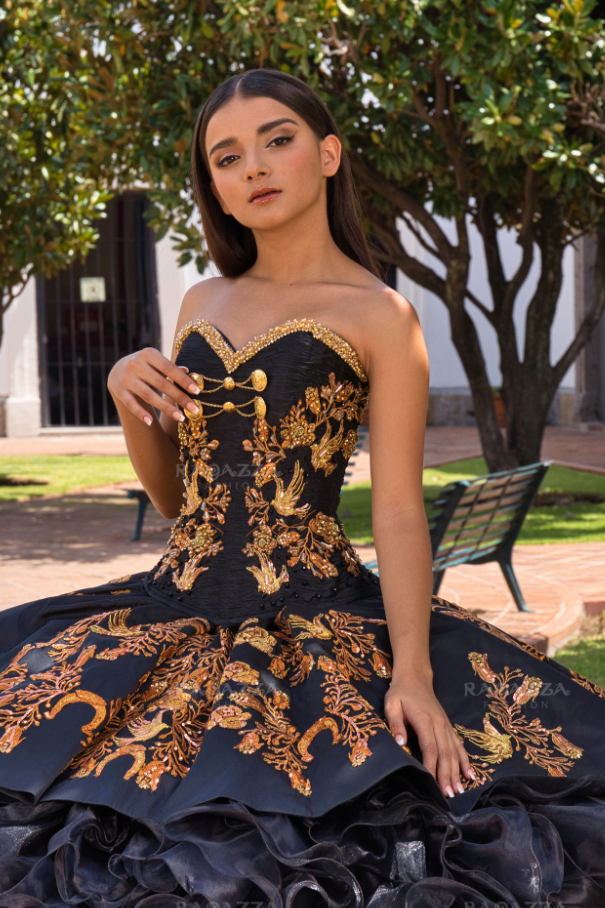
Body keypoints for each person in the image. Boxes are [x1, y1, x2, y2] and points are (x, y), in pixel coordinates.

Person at [0, 68, 604, 907]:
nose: (253, 166)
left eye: (276, 140)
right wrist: (127, 396)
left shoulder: (380, 316)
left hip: (316, 613)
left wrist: (413, 677)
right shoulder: (201, 300)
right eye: (227, 156)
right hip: (175, 610)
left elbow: (394, 510)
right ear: (210, 182)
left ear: (326, 153)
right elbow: (179, 503)